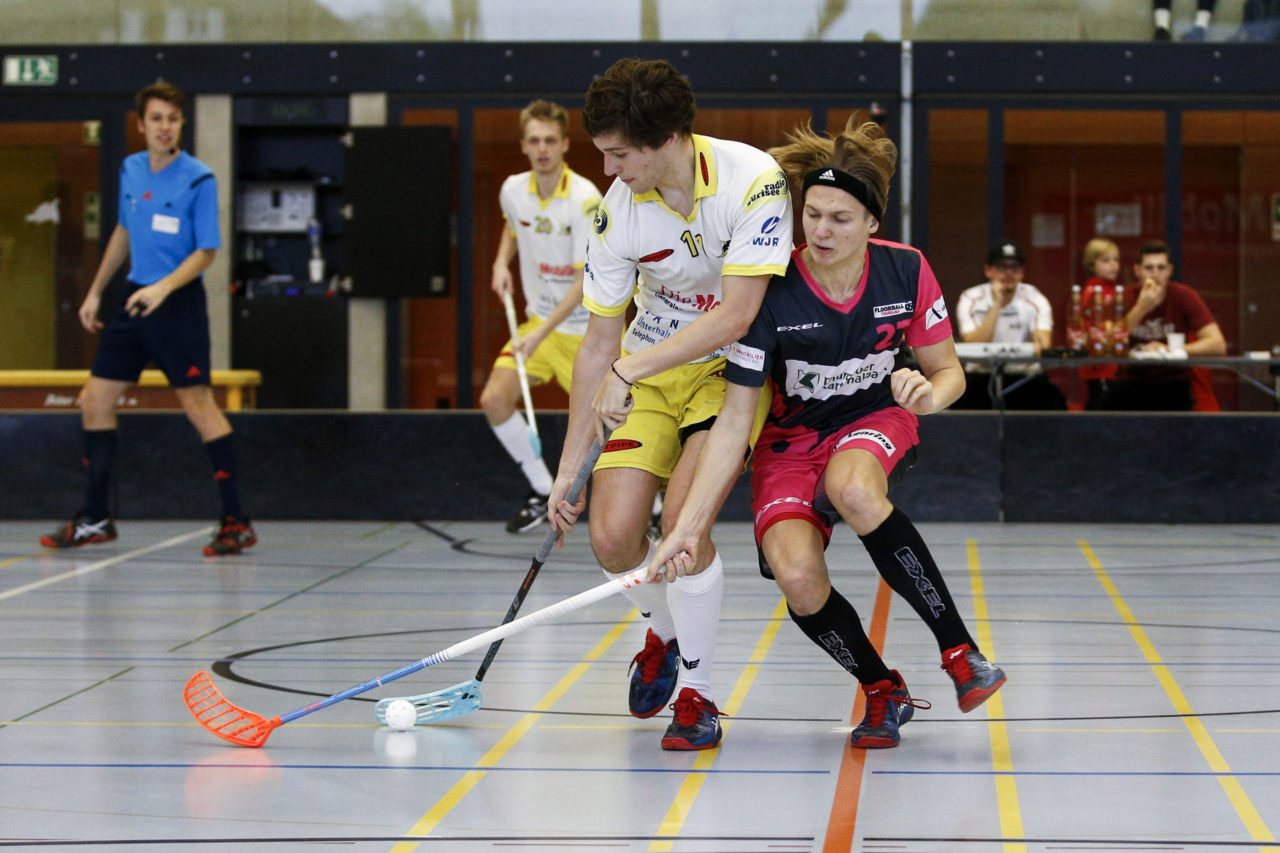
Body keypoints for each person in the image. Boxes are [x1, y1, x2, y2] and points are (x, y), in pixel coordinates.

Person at [647, 118, 1006, 751]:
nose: (820, 230)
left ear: (872, 223)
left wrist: (928, 395)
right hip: (790, 441)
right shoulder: (770, 289)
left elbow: (949, 373)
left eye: (840, 218)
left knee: (854, 488)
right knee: (795, 573)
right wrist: (690, 522)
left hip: (873, 419)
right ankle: (880, 688)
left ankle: (960, 652)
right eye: (811, 213)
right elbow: (736, 419)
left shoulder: (906, 272)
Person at [547, 58, 793, 751]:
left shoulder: (753, 181)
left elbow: (738, 314)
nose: (608, 170)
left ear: (666, 140)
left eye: (619, 154)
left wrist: (631, 364)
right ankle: (662, 628)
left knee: (685, 526)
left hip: (729, 373)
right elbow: (598, 344)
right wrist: (566, 465)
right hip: (651, 373)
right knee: (612, 536)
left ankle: (698, 692)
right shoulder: (616, 211)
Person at [40, 82, 254, 557]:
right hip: (135, 300)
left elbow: (206, 252)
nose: (164, 127)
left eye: (172, 120)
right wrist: (96, 291)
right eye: (156, 119)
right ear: (141, 125)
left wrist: (162, 288)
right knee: (94, 401)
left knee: (199, 407)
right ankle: (95, 518)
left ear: (181, 124)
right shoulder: (131, 169)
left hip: (176, 303)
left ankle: (235, 521)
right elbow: (123, 229)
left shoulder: (199, 178)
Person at [481, 100, 602, 534]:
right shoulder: (513, 190)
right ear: (524, 146)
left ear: (565, 144)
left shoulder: (586, 200)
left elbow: (584, 282)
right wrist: (500, 263)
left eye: (550, 140)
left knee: (612, 426)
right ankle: (540, 488)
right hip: (537, 324)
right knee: (494, 401)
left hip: (584, 332)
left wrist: (541, 334)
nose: (543, 149)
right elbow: (514, 226)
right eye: (534, 141)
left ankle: (657, 509)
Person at [1098, 239, 1227, 411]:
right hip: (1131, 379)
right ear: (1137, 271)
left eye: (1161, 268)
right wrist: (1141, 309)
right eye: (1149, 268)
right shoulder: (1124, 297)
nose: (1155, 274)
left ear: (1170, 271)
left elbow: (1217, 344)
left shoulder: (1184, 296)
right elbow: (1105, 344)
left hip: (1173, 381)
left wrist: (1171, 350)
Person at [952, 241, 1065, 410]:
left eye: (1015, 268)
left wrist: (1039, 341)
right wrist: (997, 304)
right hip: (980, 376)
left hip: (1023, 377)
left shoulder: (1034, 297)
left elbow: (1043, 344)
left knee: (1054, 400)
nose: (1008, 273)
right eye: (1001, 267)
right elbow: (973, 343)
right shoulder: (971, 297)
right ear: (988, 271)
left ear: (1022, 273)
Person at [1079, 237, 1123, 409]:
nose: (1113, 265)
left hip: (1115, 360)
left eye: (1116, 260)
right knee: (1101, 403)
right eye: (1105, 260)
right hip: (1100, 363)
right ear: (1092, 265)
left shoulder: (1115, 289)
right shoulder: (1093, 291)